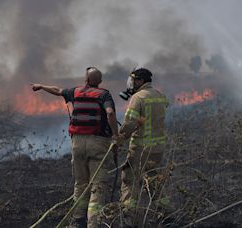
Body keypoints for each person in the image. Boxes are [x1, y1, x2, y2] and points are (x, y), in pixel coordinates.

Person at [31, 67, 119, 228]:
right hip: (98, 143)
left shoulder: (75, 92)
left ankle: (77, 221)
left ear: (85, 80)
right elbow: (110, 113)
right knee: (98, 185)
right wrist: (115, 136)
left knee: (80, 184)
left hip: (77, 144)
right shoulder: (103, 94)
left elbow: (57, 90)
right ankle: (93, 223)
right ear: (99, 82)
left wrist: (41, 86)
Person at [118, 68, 169, 227]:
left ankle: (130, 218)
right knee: (153, 179)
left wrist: (120, 138)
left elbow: (130, 123)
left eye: (133, 81)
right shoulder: (160, 95)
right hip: (158, 148)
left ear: (140, 81)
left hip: (141, 148)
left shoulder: (138, 97)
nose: (131, 84)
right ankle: (166, 213)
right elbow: (151, 116)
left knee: (130, 180)